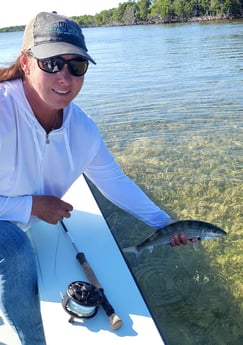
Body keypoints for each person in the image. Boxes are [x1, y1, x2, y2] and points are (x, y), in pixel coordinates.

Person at [0, 11, 191, 345]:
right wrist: (30, 206)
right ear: (26, 62)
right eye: (52, 63)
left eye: (77, 66)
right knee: (13, 246)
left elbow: (115, 182)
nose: (65, 77)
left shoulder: (83, 130)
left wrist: (166, 225)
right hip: (11, 230)